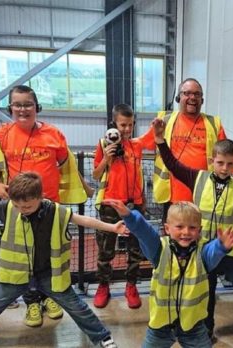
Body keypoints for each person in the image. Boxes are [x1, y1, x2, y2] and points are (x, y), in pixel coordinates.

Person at [0, 172, 124, 348]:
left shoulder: (55, 211)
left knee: (78, 308)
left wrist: (113, 227)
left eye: (27, 206)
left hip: (50, 274)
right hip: (17, 276)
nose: (22, 210)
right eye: (17, 206)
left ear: (40, 197)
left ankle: (102, 337)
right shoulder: (7, 209)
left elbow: (84, 220)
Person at [153, 118, 233, 340]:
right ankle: (207, 330)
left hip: (230, 251)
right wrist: (160, 139)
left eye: (230, 164)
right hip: (204, 249)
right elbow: (172, 164)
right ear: (212, 160)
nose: (225, 168)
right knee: (207, 292)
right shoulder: (198, 178)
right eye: (220, 163)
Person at [0, 85, 91, 327]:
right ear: (10, 108)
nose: (23, 109)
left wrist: (85, 188)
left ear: (37, 107)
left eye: (28, 104)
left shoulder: (54, 134)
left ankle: (49, 298)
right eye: (17, 104)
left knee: (50, 255)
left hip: (49, 207)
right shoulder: (1, 135)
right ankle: (32, 302)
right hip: (18, 208)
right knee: (24, 257)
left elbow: (69, 166)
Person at [105, 199, 233, 348]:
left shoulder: (203, 253)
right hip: (161, 326)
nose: (186, 232)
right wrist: (129, 216)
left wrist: (221, 246)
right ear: (167, 228)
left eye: (192, 228)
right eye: (179, 226)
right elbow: (144, 231)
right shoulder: (159, 250)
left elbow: (213, 252)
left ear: (199, 231)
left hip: (193, 326)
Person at [92, 104, 153, 309]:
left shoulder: (136, 145)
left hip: (134, 205)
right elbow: (95, 175)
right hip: (109, 205)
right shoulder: (103, 144)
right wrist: (107, 158)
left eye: (130, 125)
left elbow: (155, 135)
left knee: (135, 250)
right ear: (114, 124)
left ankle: (131, 285)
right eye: (123, 125)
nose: (127, 129)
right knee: (105, 250)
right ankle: (103, 285)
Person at [151, 78, 227, 221]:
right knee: (173, 239)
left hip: (204, 196)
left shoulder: (213, 123)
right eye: (187, 93)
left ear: (202, 100)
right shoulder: (164, 122)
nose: (192, 97)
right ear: (178, 98)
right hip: (172, 197)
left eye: (197, 94)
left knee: (202, 238)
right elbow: (138, 144)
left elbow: (227, 153)